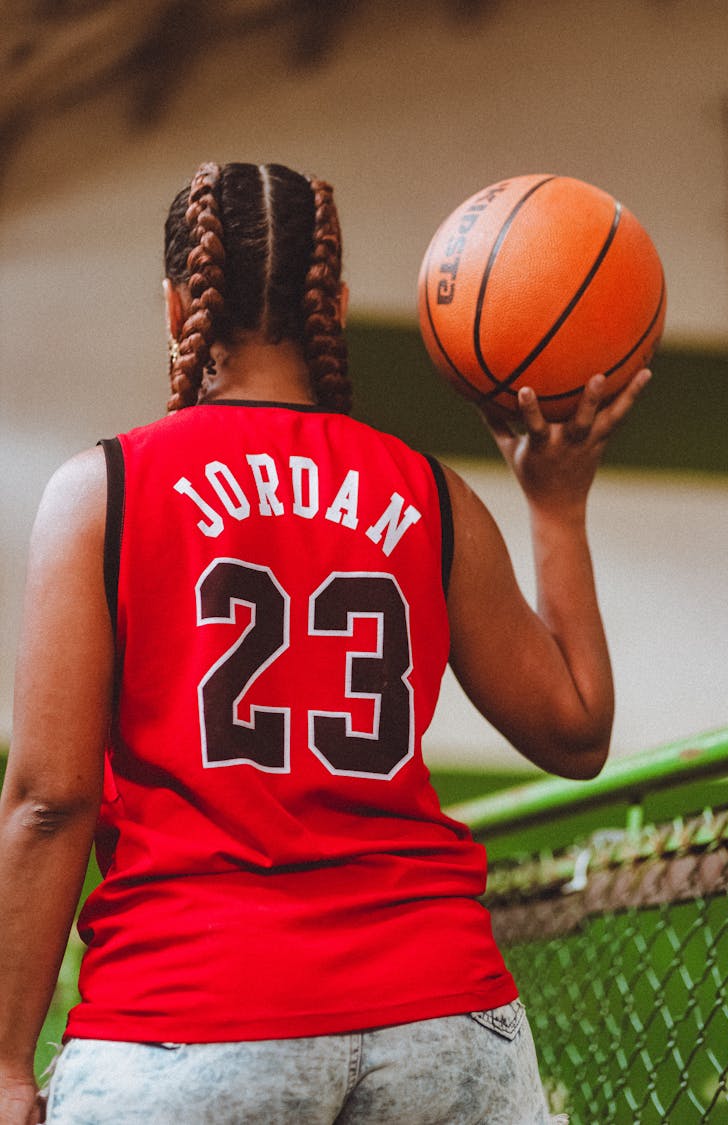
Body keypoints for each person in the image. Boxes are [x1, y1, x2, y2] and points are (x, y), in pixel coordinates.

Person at [0, 161, 651, 1125]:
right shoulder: (431, 497)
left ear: (178, 303)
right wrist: (557, 504)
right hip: (446, 1018)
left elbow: (51, 801)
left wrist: (9, 1065)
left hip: (194, 1017)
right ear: (335, 307)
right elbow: (576, 730)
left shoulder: (105, 491)